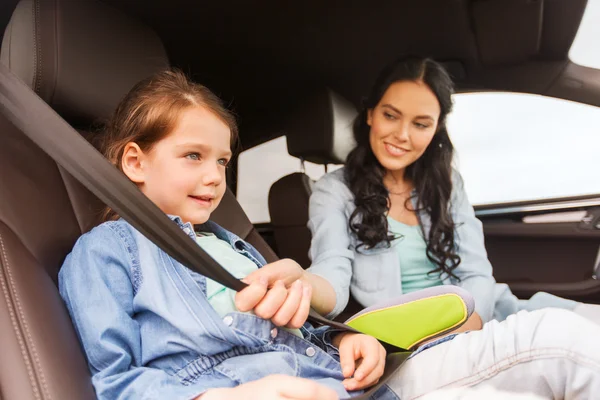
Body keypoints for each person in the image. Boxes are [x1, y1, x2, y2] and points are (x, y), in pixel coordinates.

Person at [59, 68, 600, 400]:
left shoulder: (228, 244)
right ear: (134, 161)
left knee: (559, 336)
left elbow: (297, 330)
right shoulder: (107, 252)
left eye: (223, 161)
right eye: (193, 157)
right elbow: (113, 383)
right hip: (271, 389)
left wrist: (346, 338)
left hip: (347, 376)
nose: (213, 177)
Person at [306, 56, 600, 325]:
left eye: (420, 124)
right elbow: (331, 269)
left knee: (585, 322)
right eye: (391, 116)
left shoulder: (447, 182)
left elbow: (477, 274)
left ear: (435, 130)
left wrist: (470, 327)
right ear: (370, 114)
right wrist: (303, 288)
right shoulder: (334, 192)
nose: (402, 135)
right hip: (417, 335)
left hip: (486, 315)